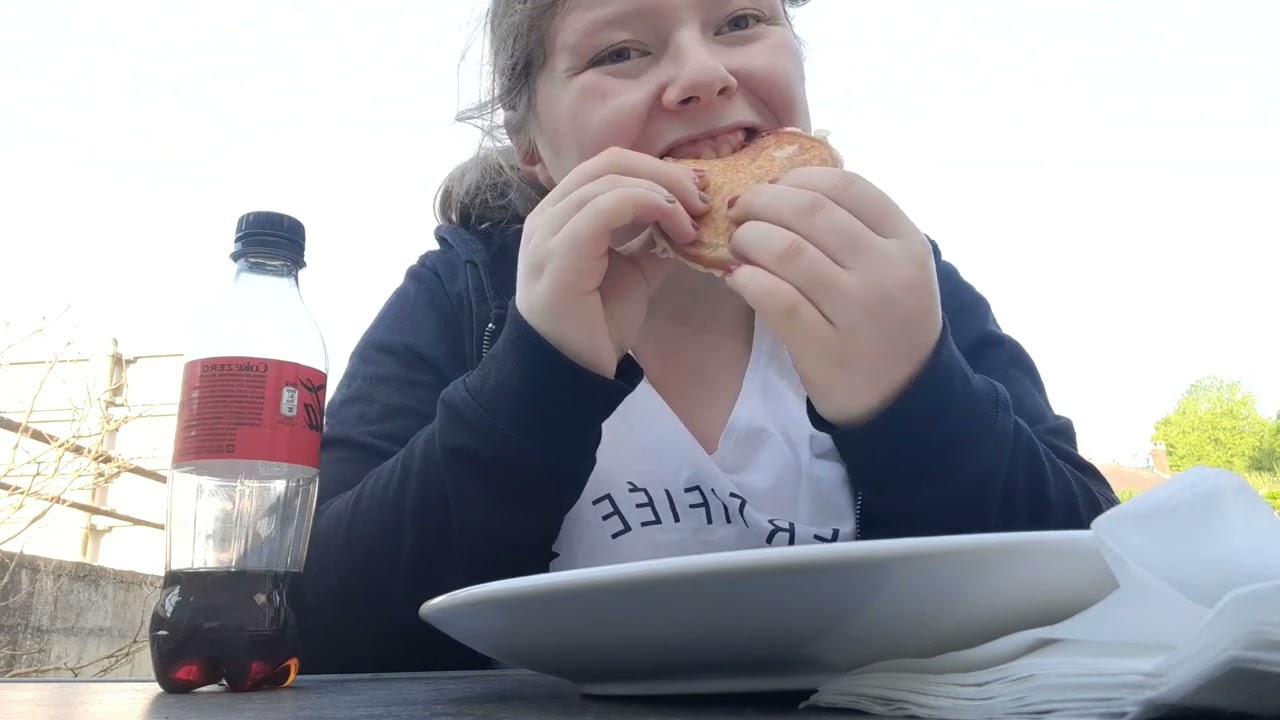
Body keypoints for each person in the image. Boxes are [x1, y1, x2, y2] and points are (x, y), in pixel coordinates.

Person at [291, 0, 1118, 675]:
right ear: (531, 146)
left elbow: (1100, 584)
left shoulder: (896, 281)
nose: (704, 75)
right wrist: (536, 379)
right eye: (620, 52)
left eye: (740, 22)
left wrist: (914, 398)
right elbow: (314, 624)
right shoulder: (467, 294)